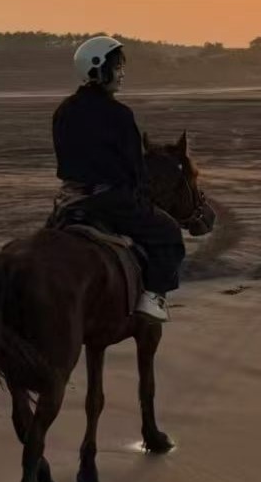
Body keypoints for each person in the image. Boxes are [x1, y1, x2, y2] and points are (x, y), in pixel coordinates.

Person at [50, 36, 184, 323]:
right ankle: (152, 297)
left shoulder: (64, 110)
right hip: (110, 202)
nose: (122, 73)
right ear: (99, 69)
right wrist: (141, 195)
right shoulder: (119, 114)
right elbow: (135, 168)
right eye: (118, 67)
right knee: (169, 232)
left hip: (69, 200)